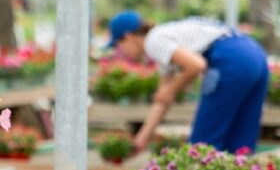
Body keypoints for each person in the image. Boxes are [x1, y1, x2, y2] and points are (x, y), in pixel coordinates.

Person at [106, 10, 269, 154]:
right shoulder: (165, 41)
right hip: (255, 55)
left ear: (127, 37)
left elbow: (197, 65)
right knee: (240, 144)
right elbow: (162, 101)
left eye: (118, 45)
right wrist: (141, 140)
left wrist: (172, 89)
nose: (120, 51)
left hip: (231, 60)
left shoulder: (153, 41)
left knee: (202, 148)